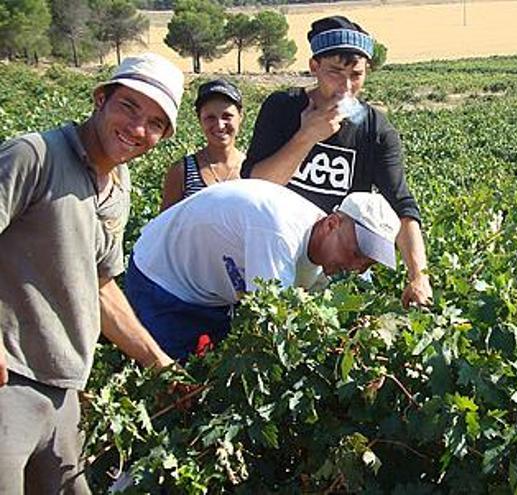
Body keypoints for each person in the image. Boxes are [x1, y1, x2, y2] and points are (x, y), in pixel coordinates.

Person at [0, 53, 181, 493]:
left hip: (64, 393)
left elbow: (100, 284)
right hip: (9, 382)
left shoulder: (119, 186)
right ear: (101, 98)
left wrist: (158, 363)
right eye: (129, 107)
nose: (139, 129)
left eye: (156, 123)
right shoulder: (34, 155)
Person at [241, 15, 432, 308]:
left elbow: (402, 205)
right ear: (314, 66)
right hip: (275, 248)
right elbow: (254, 188)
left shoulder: (375, 129)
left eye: (356, 75)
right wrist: (307, 136)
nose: (345, 87)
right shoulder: (282, 108)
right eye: (335, 72)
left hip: (340, 258)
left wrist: (419, 276)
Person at [126, 179, 401, 361]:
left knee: (207, 375)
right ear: (332, 223)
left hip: (213, 293)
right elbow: (274, 321)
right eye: (354, 254)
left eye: (366, 264)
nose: (354, 267)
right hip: (162, 277)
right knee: (172, 385)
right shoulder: (279, 231)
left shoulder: (328, 251)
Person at [161, 79, 245, 210]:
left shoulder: (254, 170)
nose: (219, 125)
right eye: (210, 118)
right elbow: (166, 226)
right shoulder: (182, 172)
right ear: (199, 120)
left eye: (227, 116)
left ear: (240, 117)